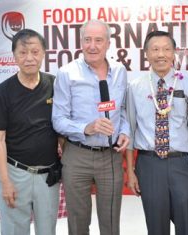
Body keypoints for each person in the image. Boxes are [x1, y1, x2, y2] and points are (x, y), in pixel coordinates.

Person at [52, 19, 130, 235]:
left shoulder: (120, 71)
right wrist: (86, 127)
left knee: (111, 221)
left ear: (108, 43)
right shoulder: (67, 73)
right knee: (78, 221)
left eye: (98, 40)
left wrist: (124, 131)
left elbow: (122, 110)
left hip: (110, 156)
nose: (92, 46)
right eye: (87, 40)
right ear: (81, 42)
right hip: (77, 155)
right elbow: (57, 119)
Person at [126, 31, 188, 235]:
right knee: (156, 227)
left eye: (166, 49)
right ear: (146, 54)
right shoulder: (135, 87)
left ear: (174, 53)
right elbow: (130, 130)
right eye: (155, 49)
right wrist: (131, 171)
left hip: (181, 163)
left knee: (186, 223)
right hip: (149, 163)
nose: (161, 54)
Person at [0, 29, 60, 235]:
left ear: (44, 53)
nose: (29, 58)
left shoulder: (54, 84)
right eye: (23, 52)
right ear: (14, 56)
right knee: (14, 231)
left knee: (47, 230)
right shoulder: (2, 92)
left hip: (48, 175)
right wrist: (5, 180)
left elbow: (63, 129)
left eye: (35, 52)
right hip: (15, 172)